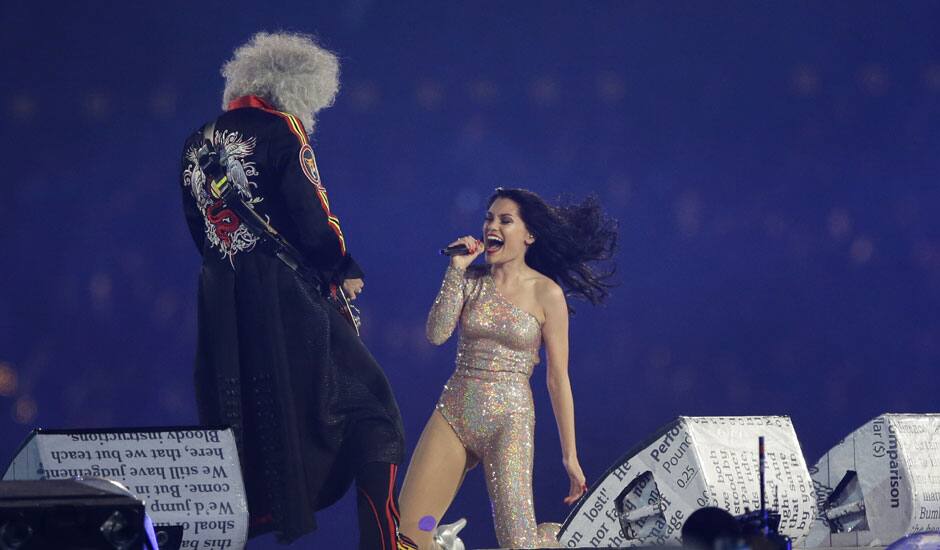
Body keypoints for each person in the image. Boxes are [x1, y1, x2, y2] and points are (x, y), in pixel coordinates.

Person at [179, 32, 408, 549]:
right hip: (288, 296)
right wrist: (341, 266)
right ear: (301, 90)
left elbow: (199, 232)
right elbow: (311, 213)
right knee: (375, 409)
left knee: (249, 431)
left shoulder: (195, 142)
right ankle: (385, 544)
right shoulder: (282, 129)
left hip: (223, 307)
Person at [398, 188, 618, 549]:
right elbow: (436, 334)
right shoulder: (471, 281)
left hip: (508, 421)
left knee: (519, 545)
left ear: (529, 235)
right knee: (412, 530)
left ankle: (571, 542)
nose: (491, 226)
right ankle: (439, 542)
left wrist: (570, 456)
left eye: (505, 220)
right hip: (456, 412)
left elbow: (557, 378)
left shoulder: (546, 294)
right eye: (488, 219)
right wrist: (455, 271)